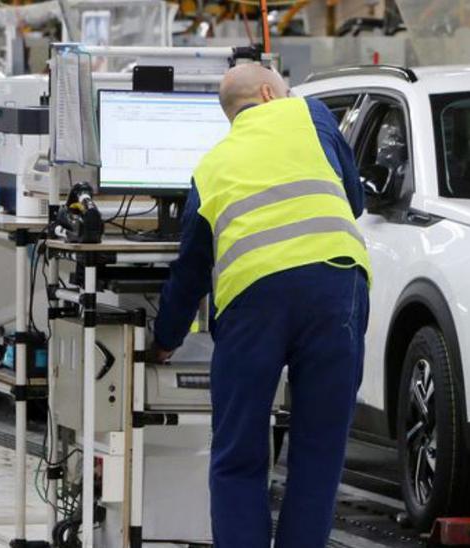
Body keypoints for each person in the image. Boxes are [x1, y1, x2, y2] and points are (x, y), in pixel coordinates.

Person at [150, 64, 371, 547]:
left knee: (237, 454)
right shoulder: (308, 114)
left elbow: (189, 270)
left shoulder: (209, 168)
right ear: (272, 93)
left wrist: (165, 340)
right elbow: (352, 201)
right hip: (336, 285)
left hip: (254, 302)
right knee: (318, 454)